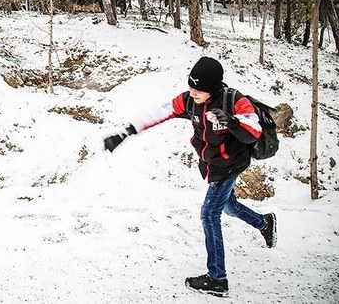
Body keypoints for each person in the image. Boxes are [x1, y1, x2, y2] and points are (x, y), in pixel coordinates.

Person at [103, 56, 277, 298]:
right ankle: (264, 223)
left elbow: (253, 130)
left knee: (209, 213)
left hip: (229, 166)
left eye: (198, 88)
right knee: (228, 206)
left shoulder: (234, 101)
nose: (192, 91)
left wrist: (232, 121)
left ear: (213, 87)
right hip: (211, 164)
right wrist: (126, 132)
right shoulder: (191, 101)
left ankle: (218, 278)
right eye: (190, 86)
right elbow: (159, 111)